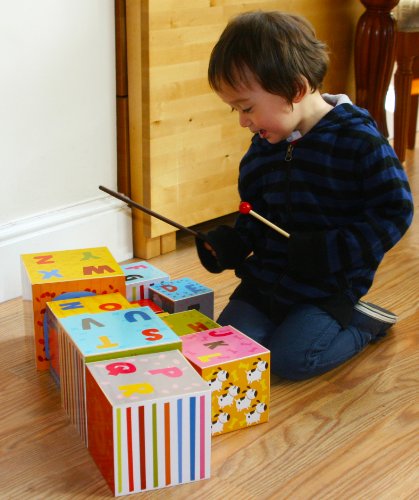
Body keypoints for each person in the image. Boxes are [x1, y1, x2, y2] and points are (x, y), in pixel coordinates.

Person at [195, 10, 414, 381]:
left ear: (295, 90)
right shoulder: (262, 149)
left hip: (329, 283)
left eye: (247, 107)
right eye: (235, 110)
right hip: (267, 280)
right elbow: (255, 217)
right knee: (230, 348)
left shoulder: (357, 141)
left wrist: (330, 251)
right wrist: (231, 243)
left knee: (290, 361)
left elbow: (394, 211)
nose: (242, 121)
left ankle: (363, 325)